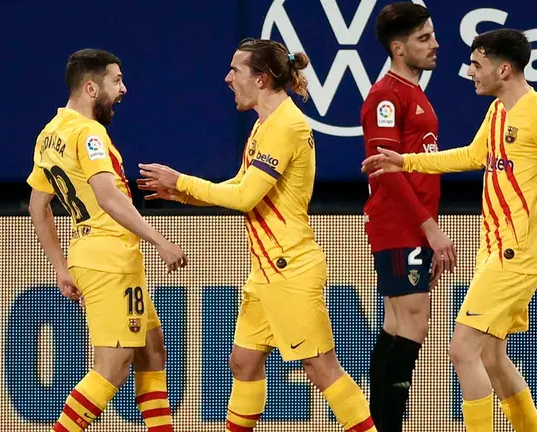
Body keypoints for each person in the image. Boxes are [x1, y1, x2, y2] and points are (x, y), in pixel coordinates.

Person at [136, 38, 377, 432]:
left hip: (290, 268)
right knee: (243, 361)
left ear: (261, 79)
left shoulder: (288, 125)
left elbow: (247, 195)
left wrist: (184, 180)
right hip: (265, 272)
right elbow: (240, 187)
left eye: (236, 70)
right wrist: (182, 194)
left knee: (320, 368)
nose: (227, 78)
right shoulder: (264, 125)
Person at [362, 29, 537, 432]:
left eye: (477, 65)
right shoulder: (499, 110)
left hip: (516, 254)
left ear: (504, 69)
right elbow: (471, 155)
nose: (470, 72)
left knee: (462, 349)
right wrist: (406, 161)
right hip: (494, 250)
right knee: (492, 356)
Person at [26, 48, 187, 432]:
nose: (124, 88)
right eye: (116, 80)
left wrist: (62, 268)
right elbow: (108, 195)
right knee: (112, 368)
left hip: (93, 256)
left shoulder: (50, 135)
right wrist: (159, 241)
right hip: (110, 260)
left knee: (151, 351)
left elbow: (38, 206)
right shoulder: (89, 132)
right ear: (90, 87)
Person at [361, 4, 457, 431]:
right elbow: (385, 169)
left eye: (432, 35)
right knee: (413, 322)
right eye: (423, 38)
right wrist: (430, 229)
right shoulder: (386, 95)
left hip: (410, 227)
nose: (435, 44)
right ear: (398, 48)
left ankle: (381, 425)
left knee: (398, 324)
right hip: (400, 227)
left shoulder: (413, 92)